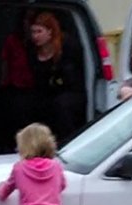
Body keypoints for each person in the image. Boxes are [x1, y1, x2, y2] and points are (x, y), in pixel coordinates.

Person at [28, 12, 86, 145]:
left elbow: (74, 78)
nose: (35, 36)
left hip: (70, 91)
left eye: (39, 31)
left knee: (60, 105)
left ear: (50, 31)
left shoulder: (67, 48)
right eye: (33, 32)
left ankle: (67, 141)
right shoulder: (32, 52)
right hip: (47, 92)